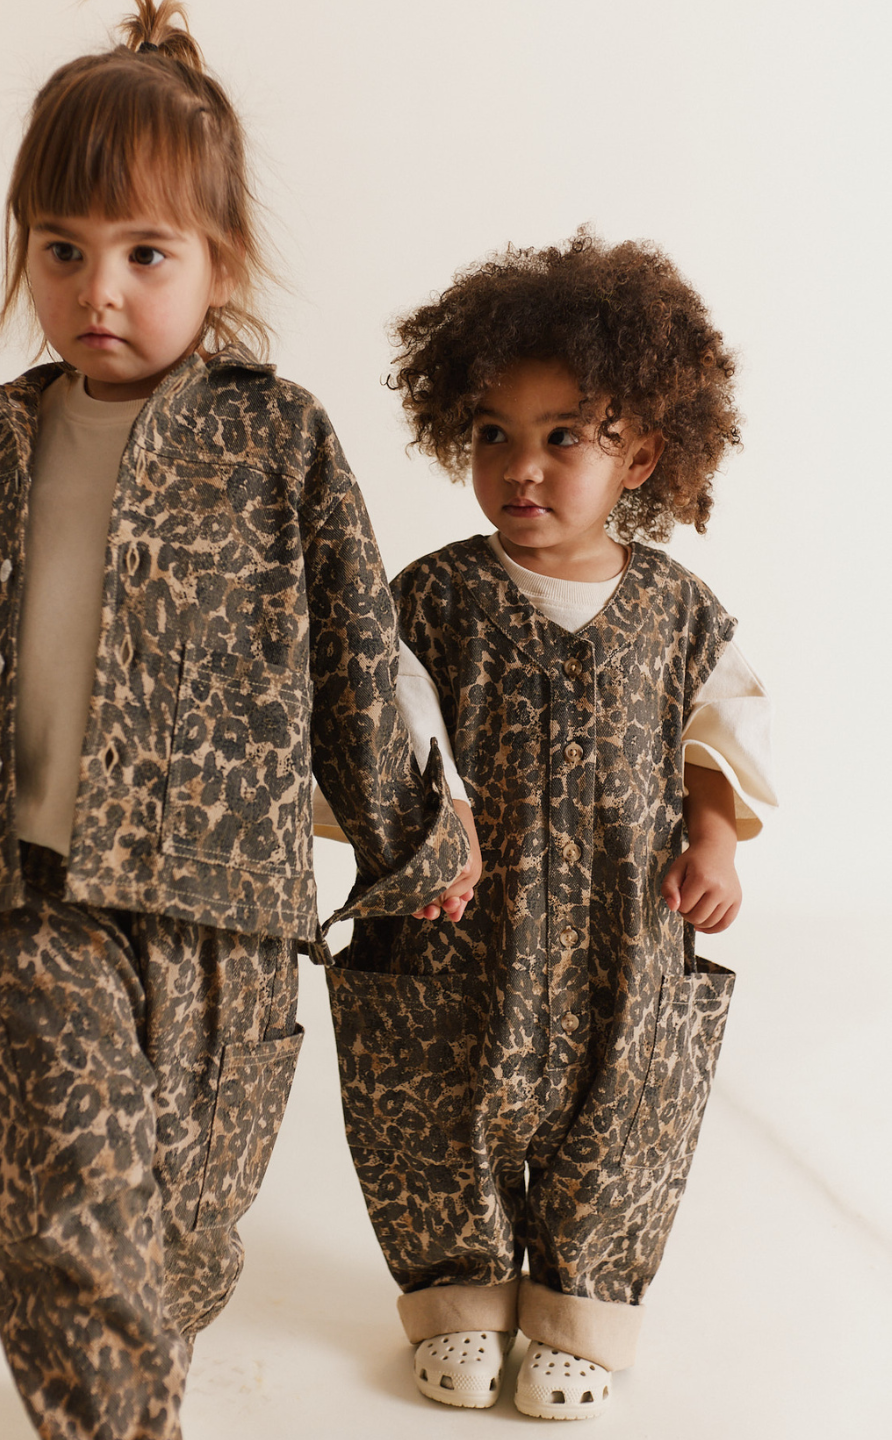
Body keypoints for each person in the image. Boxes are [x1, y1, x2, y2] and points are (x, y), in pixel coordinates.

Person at [0, 5, 471, 1437]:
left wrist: (422, 833)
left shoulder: (278, 440)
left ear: (218, 265)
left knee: (178, 1224)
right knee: (63, 1172)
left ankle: (135, 1360)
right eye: (61, 250)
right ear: (23, 252)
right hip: (27, 896)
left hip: (220, 908)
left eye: (143, 253)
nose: (95, 289)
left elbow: (359, 652)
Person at [323, 232, 777, 1421]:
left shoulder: (680, 612)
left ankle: (581, 1307)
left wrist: (714, 839)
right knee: (434, 1105)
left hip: (622, 939)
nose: (521, 468)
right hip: (456, 933)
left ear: (642, 453)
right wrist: (407, 831)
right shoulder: (429, 596)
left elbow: (722, 727)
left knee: (621, 1116)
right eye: (493, 436)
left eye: (563, 436)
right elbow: (374, 721)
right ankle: (460, 1293)